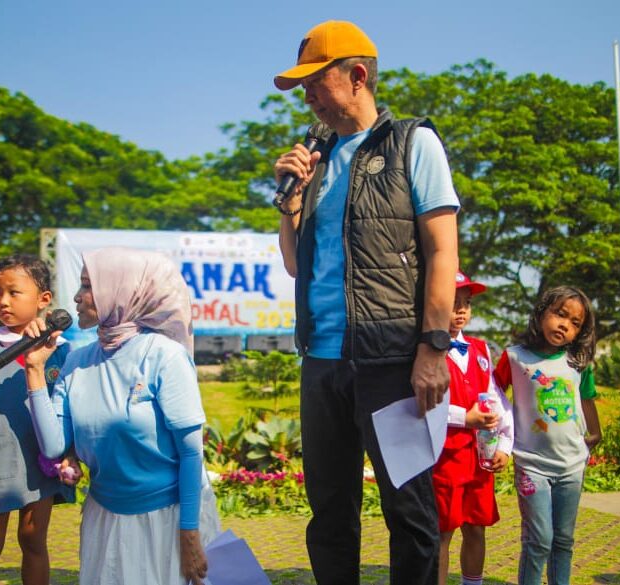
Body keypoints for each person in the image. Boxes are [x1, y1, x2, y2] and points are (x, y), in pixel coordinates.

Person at [272, 19, 460, 585]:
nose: (307, 96)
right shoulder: (317, 158)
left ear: (357, 75)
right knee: (329, 511)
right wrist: (289, 203)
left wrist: (432, 348)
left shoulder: (413, 142)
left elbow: (442, 251)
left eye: (316, 81)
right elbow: (296, 264)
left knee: (409, 510)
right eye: (302, 86)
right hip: (322, 360)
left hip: (391, 361)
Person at [23, 247, 221, 585]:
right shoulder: (77, 361)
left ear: (120, 291)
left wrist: (189, 533)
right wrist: (34, 369)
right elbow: (54, 446)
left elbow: (191, 454)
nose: (77, 296)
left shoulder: (164, 356)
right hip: (105, 518)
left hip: (168, 518)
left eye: (88, 286)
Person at [0, 254, 75, 585]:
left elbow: (70, 412)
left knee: (33, 540)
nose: (3, 301)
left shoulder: (63, 350)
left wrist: (70, 454)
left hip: (41, 464)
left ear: (44, 299)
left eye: (13, 292)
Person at [493, 286, 602, 585]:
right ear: (541, 313)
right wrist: (496, 441)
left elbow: (587, 398)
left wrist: (595, 432)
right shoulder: (515, 358)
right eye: (560, 314)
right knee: (539, 539)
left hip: (572, 466)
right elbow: (494, 396)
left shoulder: (578, 361)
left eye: (575, 323)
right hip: (531, 465)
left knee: (564, 539)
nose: (565, 325)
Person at [432, 271, 513, 585]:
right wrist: (464, 418)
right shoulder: (426, 351)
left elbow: (496, 398)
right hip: (444, 458)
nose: (461, 310)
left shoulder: (480, 350)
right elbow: (418, 404)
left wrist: (504, 444)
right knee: (442, 532)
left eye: (466, 302)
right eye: (453, 302)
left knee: (476, 527)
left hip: (479, 457)